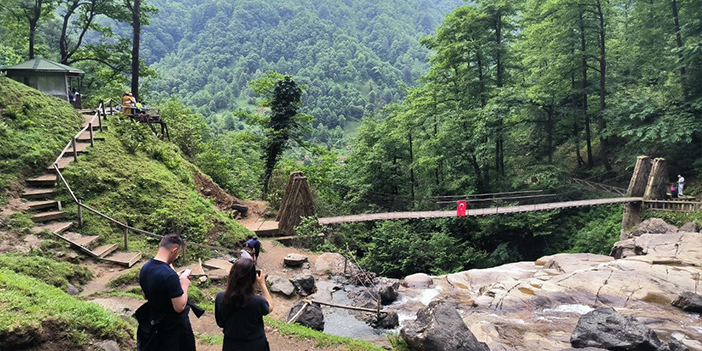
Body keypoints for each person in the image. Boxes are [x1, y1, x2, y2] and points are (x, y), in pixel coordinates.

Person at [136, 235, 195, 351]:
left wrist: (174, 280)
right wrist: (184, 284)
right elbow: (179, 306)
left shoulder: (145, 267)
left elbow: (145, 295)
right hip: (173, 329)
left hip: (154, 324)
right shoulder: (169, 275)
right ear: (174, 250)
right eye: (177, 254)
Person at [215, 258, 273, 351]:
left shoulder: (221, 297)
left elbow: (220, 323)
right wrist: (262, 284)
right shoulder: (258, 301)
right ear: (252, 279)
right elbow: (270, 306)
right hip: (255, 345)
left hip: (231, 345)